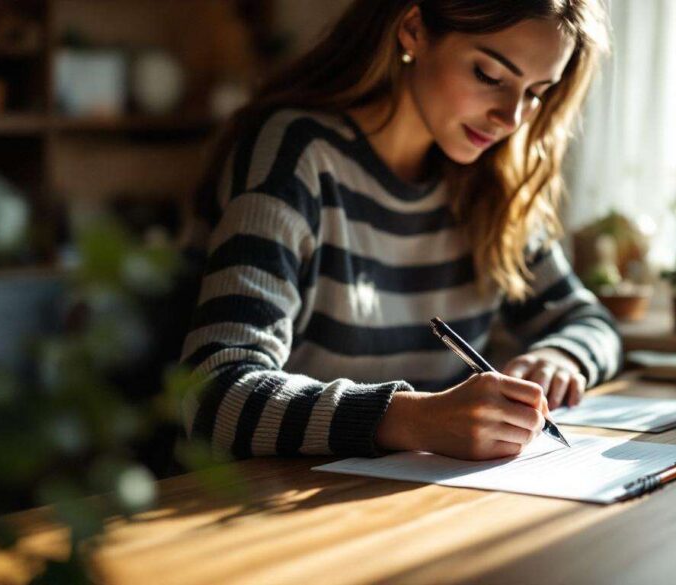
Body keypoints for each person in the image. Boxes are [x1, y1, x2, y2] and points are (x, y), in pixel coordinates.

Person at [179, 0, 622, 462]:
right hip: (260, 507)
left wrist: (560, 359)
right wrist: (415, 419)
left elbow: (591, 323)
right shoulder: (297, 155)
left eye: (536, 92)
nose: (511, 118)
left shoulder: (489, 186)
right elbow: (213, 393)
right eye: (490, 75)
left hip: (404, 503)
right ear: (413, 29)